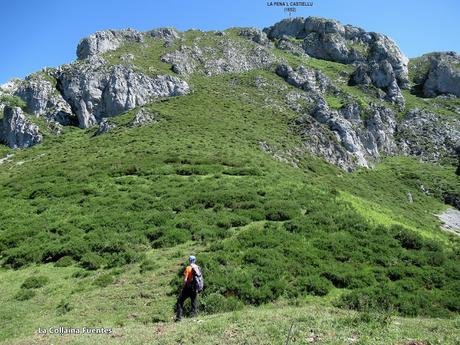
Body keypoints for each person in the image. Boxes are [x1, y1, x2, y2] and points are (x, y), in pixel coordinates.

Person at [175, 255, 201, 321]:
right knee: (194, 301)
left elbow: (185, 279)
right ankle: (194, 316)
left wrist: (183, 286)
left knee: (180, 301)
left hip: (188, 287)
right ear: (195, 260)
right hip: (195, 287)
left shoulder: (188, 268)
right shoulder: (197, 268)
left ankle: (179, 317)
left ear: (189, 260)